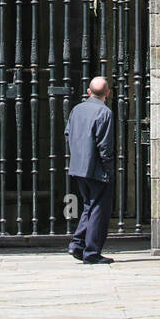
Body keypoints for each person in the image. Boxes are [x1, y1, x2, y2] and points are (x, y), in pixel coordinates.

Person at [65, 76, 115, 265]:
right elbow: (105, 145)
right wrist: (108, 169)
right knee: (98, 210)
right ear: (107, 93)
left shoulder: (77, 109)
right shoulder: (104, 112)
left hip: (78, 167)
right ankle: (92, 251)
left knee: (89, 206)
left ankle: (77, 244)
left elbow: (68, 134)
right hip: (96, 169)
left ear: (88, 91)